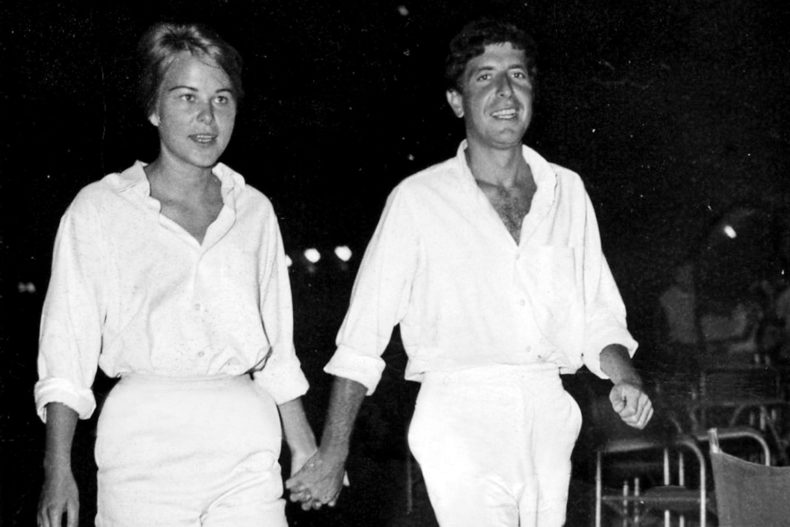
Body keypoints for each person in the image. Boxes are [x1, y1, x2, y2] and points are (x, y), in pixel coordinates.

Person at [286, 17, 653, 526]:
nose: (505, 90)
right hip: (460, 415)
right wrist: (333, 451)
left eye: (517, 75)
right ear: (457, 101)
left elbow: (598, 314)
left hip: (549, 412)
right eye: (485, 76)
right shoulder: (418, 200)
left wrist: (625, 377)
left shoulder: (567, 191)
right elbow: (361, 340)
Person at [35, 22, 316, 527]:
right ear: (153, 108)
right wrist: (58, 469)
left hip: (245, 443)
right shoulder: (99, 209)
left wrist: (305, 448)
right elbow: (66, 351)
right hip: (143, 448)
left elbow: (277, 351)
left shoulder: (253, 210)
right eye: (187, 97)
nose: (207, 117)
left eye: (221, 99)